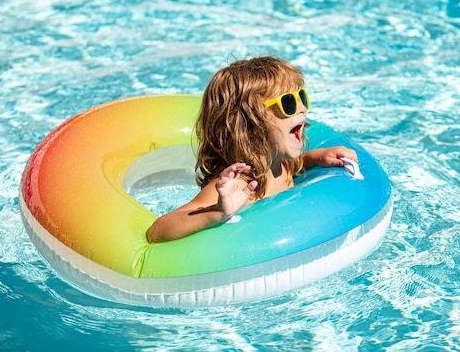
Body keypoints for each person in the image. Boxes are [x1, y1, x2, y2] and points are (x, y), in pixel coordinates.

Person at [146, 56, 357, 243]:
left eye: (301, 96)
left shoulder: (281, 164)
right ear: (250, 126)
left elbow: (294, 167)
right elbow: (158, 229)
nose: (303, 107)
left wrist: (316, 158)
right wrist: (217, 213)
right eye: (288, 103)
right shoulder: (240, 185)